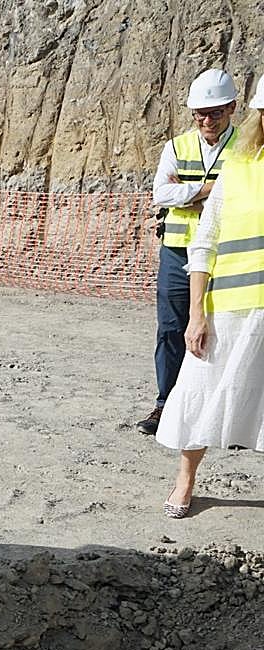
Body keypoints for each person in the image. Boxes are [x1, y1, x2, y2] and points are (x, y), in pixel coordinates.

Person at [156, 75, 264, 517]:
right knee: (198, 390)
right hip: (229, 305)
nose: (207, 117)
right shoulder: (238, 166)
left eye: (216, 110)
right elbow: (204, 241)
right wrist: (197, 315)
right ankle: (185, 480)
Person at [137, 69, 239, 435]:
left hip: (226, 255)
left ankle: (222, 414)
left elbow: (246, 196)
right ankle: (165, 405)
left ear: (232, 108)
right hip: (178, 253)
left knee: (226, 332)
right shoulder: (176, 147)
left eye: (215, 113)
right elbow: (160, 194)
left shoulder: (247, 146)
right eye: (200, 114)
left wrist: (187, 191)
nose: (207, 120)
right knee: (170, 330)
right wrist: (210, 190)